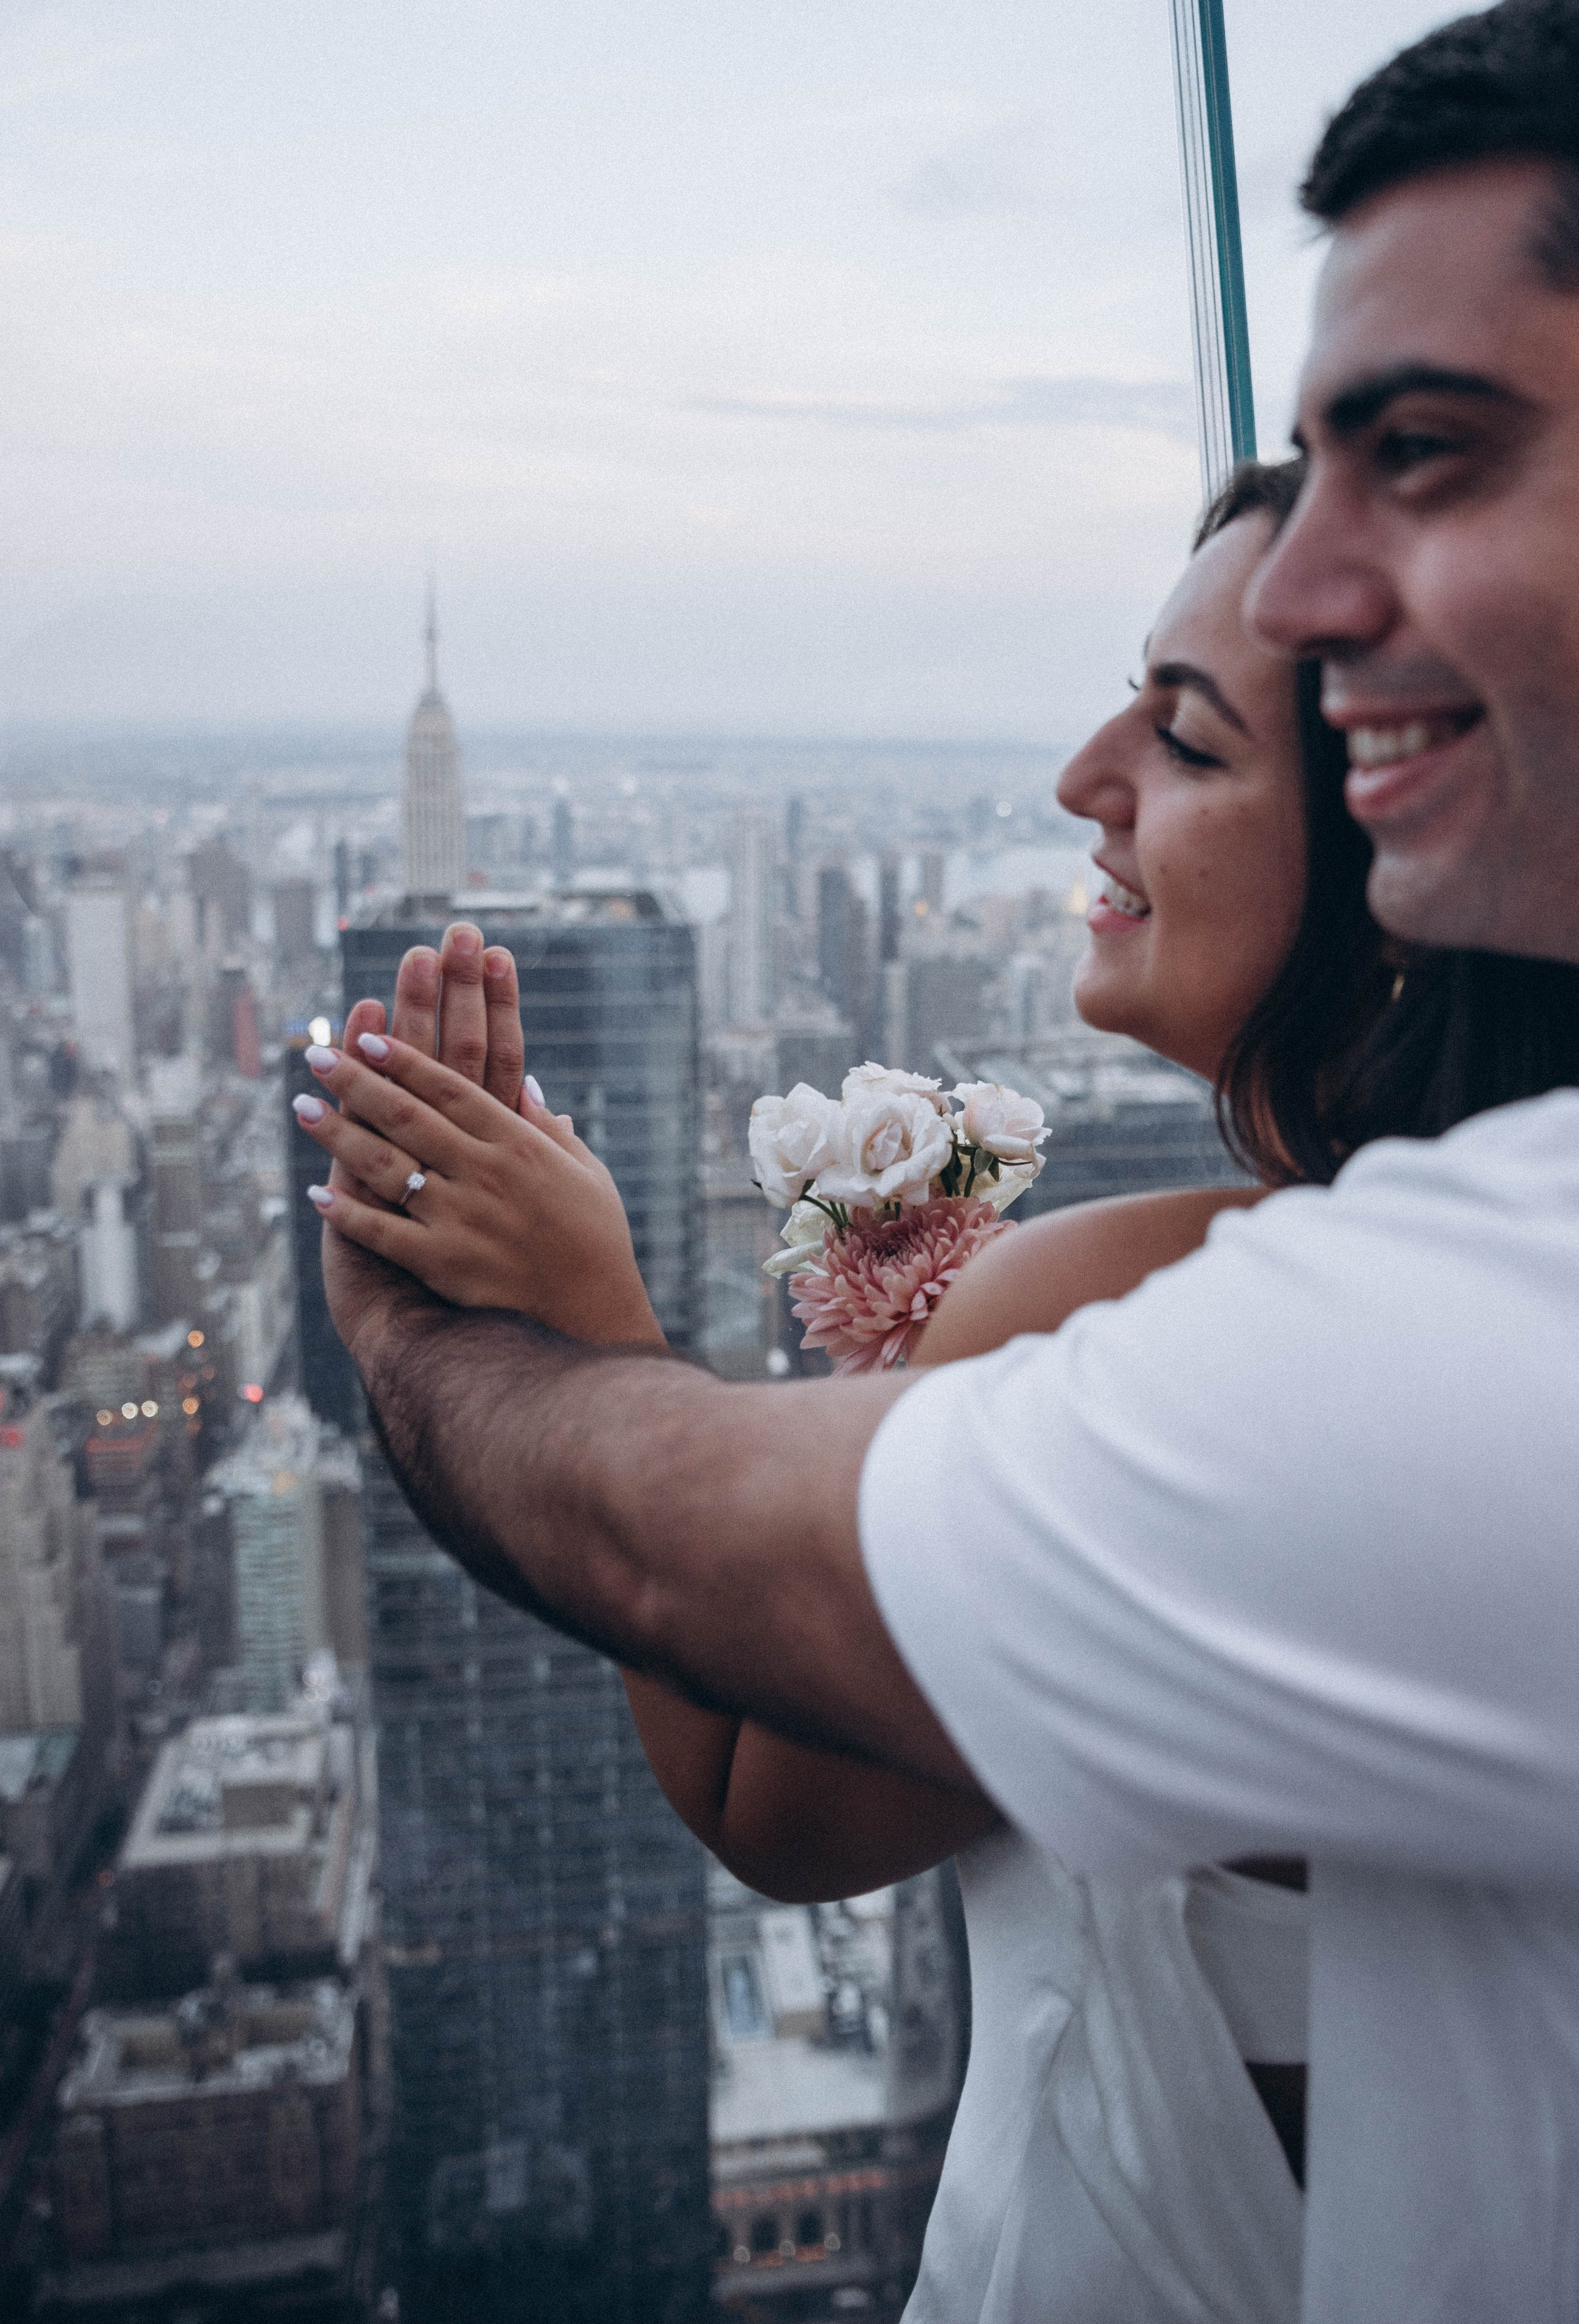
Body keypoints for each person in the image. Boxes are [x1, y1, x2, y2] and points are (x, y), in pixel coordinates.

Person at [303, 8, 1579, 2314]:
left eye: (1188, 742)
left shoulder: (1225, 1313)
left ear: (1396, 847)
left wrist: (532, 1327)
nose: (1085, 777)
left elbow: (762, 1799)